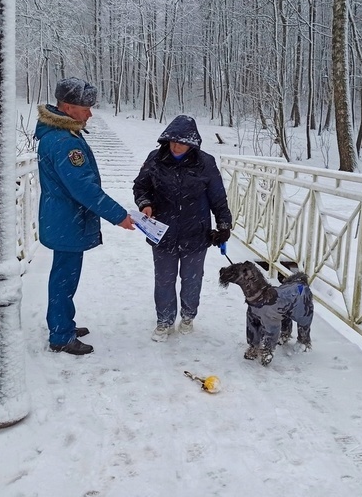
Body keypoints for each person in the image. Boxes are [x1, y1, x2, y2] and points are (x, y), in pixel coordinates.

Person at [35, 77, 136, 355]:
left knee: (63, 277)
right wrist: (118, 215)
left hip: (62, 219)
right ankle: (61, 335)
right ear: (67, 108)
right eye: (85, 108)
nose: (90, 113)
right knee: (64, 279)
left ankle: (62, 323)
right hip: (68, 220)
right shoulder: (65, 142)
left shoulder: (58, 135)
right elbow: (84, 189)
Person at [133, 115, 232, 342]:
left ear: (192, 142)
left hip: (196, 233)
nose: (177, 145)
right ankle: (164, 321)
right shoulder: (155, 159)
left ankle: (188, 316)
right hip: (162, 232)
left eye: (183, 141)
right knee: (164, 280)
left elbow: (218, 198)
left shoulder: (205, 162)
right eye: (173, 140)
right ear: (166, 139)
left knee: (192, 279)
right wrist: (145, 204)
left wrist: (224, 224)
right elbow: (141, 187)